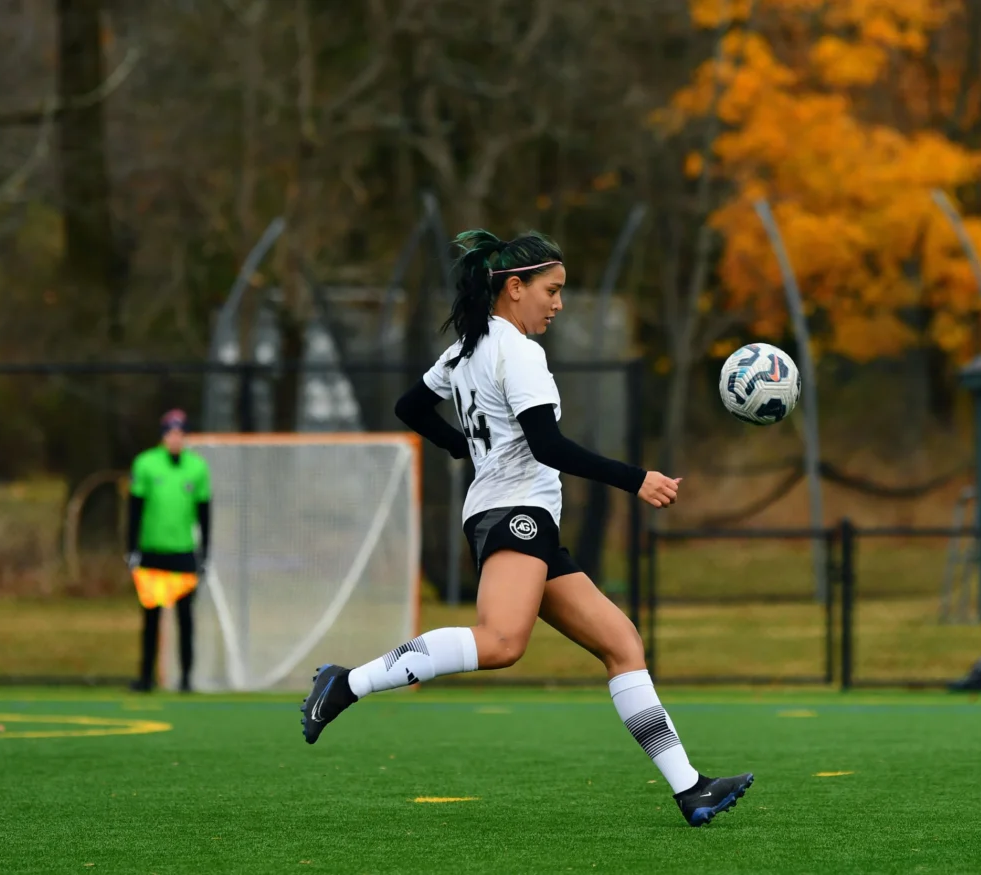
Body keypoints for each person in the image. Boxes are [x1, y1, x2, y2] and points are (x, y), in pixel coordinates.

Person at [300, 229, 753, 826]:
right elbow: (547, 445)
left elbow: (410, 408)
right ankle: (346, 683)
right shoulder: (517, 351)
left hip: (510, 513)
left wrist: (460, 446)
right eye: (552, 290)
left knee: (621, 644)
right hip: (516, 512)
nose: (558, 304)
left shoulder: (466, 349)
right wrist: (635, 478)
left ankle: (690, 787)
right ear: (515, 288)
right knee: (502, 643)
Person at [126, 409, 212, 693]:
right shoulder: (146, 464)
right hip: (152, 552)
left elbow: (204, 511)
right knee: (151, 619)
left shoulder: (197, 467)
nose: (175, 439)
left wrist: (205, 552)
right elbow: (135, 508)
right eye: (170, 433)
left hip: (183, 553)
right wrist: (131, 548)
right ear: (163, 435)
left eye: (180, 433)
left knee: (185, 619)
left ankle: (186, 678)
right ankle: (145, 677)